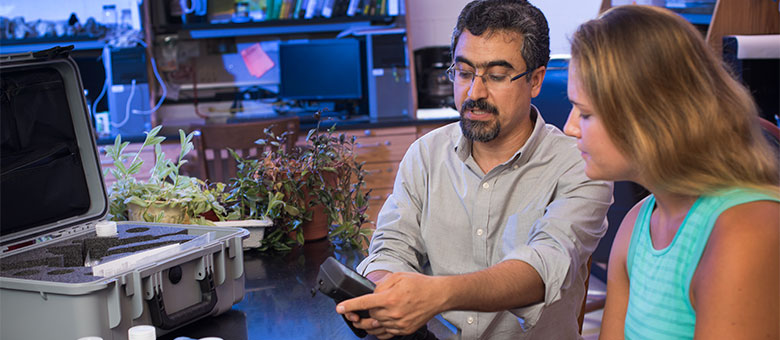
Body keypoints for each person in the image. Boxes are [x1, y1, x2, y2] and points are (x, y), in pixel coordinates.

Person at [336, 0, 613, 338]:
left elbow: (544, 267)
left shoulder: (578, 164)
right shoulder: (425, 154)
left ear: (536, 80)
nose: (475, 92)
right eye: (464, 73)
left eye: (496, 76)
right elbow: (391, 247)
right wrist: (381, 290)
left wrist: (436, 296)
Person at [563, 5, 780, 340]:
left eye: (585, 113)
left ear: (647, 115)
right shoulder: (638, 223)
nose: (570, 128)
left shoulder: (746, 229)